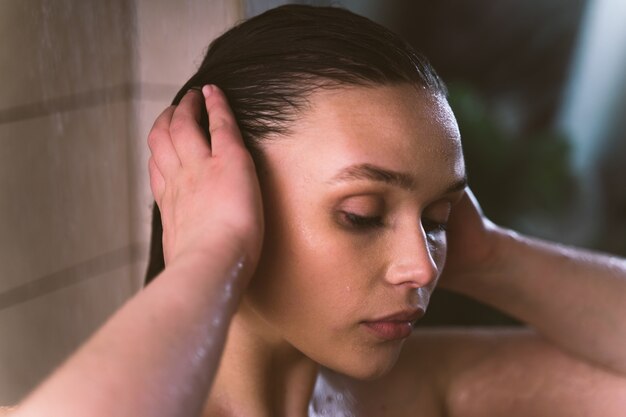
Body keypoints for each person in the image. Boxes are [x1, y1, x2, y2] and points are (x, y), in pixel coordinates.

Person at [6, 5, 626, 417]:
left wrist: (490, 252)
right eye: (361, 213)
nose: (421, 266)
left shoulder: (390, 396)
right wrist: (209, 256)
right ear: (230, 205)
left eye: (435, 219)